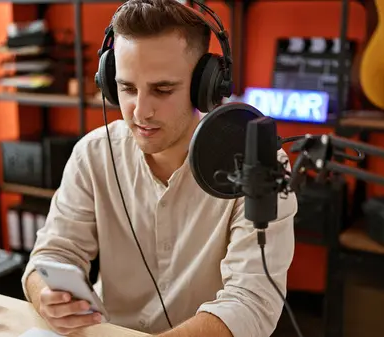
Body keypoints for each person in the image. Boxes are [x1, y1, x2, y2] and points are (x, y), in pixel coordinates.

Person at [21, 0, 297, 336]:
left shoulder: (257, 163)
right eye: (127, 88)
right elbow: (51, 254)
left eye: (162, 89)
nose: (140, 112)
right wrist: (47, 293)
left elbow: (251, 303)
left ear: (205, 88)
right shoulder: (93, 154)